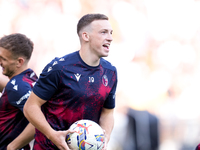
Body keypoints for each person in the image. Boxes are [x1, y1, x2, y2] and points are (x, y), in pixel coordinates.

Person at [24, 13, 118, 150]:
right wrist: (52, 135)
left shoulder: (110, 72)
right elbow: (30, 107)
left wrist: (105, 138)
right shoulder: (59, 68)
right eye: (103, 32)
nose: (110, 38)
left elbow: (108, 112)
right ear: (86, 36)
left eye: (110, 33)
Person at [0, 33, 38, 150]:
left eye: (3, 59)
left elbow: (40, 119)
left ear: (19, 62)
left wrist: (13, 146)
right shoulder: (30, 76)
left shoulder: (17, 87)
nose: (0, 62)